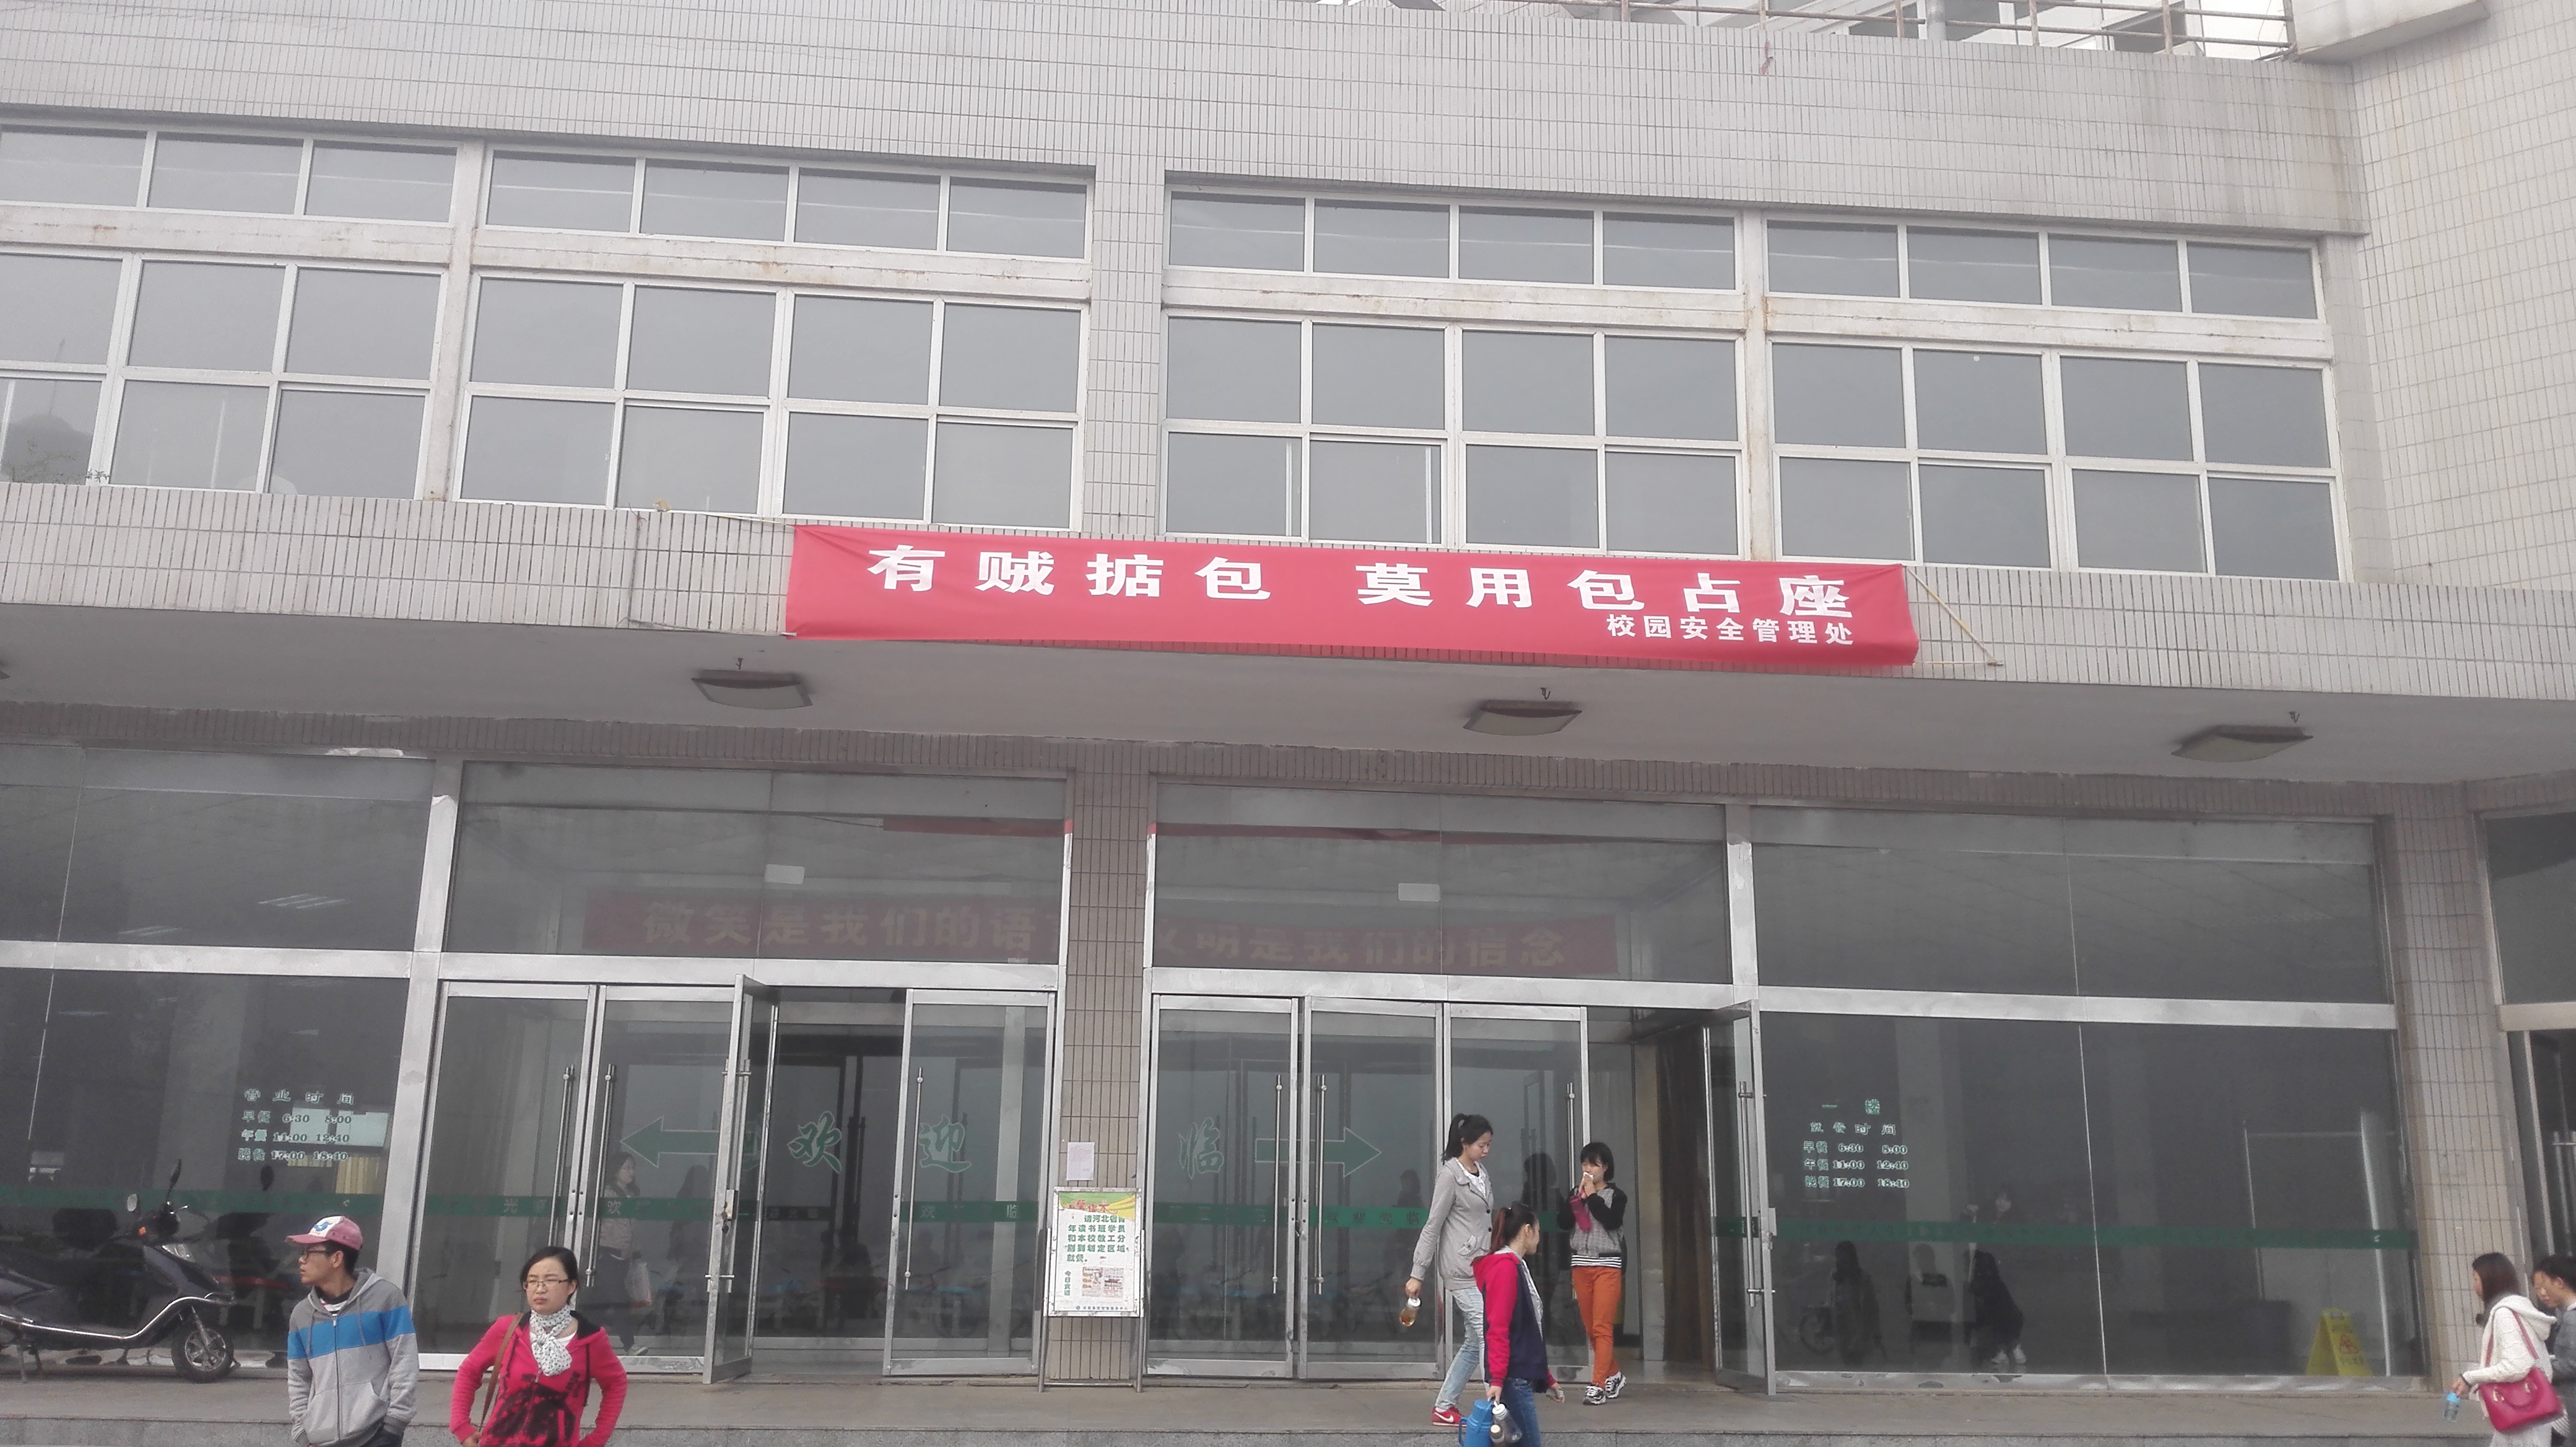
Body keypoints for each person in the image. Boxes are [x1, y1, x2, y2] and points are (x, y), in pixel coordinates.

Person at [450, 1246, 629, 1447]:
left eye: (550, 1280)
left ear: (571, 1286)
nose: (540, 1288)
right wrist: (461, 1426)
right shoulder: (508, 1329)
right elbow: (469, 1371)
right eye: (532, 1281)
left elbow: (616, 1384)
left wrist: (596, 1440)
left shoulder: (591, 1340)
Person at [285, 1215, 418, 1447]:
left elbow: (404, 1363)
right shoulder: (301, 1315)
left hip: (377, 1436)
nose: (301, 1260)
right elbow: (298, 1378)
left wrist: (394, 1425)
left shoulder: (386, 1299)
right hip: (319, 1439)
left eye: (309, 1253)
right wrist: (302, 1434)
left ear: (337, 1258)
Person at [1406, 1113, 1495, 1428]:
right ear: (1465, 1143)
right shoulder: (1450, 1176)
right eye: (1481, 1145)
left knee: (1474, 1340)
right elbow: (1433, 1225)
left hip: (1482, 1268)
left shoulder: (1481, 1173)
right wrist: (1418, 1272)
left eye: (1489, 1144)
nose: (1486, 1150)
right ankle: (1497, 1407)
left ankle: (1444, 1407)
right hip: (1460, 1269)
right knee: (1487, 1333)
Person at [2456, 1251, 2567, 1447]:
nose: (2474, 1286)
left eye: (2476, 1279)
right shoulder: (2519, 1309)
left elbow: (2517, 1366)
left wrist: (2470, 1377)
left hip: (2519, 1416)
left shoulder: (2505, 1314)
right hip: (2527, 1415)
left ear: (2490, 1280)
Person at [1478, 1204, 1565, 1447]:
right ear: (1528, 1230)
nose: (1539, 1238)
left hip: (1515, 1375)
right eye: (1538, 1231)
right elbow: (1498, 1328)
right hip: (1513, 1377)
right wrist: (1497, 1379)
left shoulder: (1515, 1265)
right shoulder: (1506, 1267)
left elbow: (1527, 1330)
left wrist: (1546, 1377)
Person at [1556, 1141, 1626, 1405]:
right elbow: (1563, 1222)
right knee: (1591, 1328)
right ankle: (1614, 1374)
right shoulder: (1577, 1193)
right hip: (1581, 1265)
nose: (1588, 1169)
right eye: (1585, 1164)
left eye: (1594, 1165)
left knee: (1602, 1326)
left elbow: (1612, 1221)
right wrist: (1578, 1199)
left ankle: (1598, 1385)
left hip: (1607, 1265)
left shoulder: (1616, 1195)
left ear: (1605, 1167)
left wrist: (1593, 1196)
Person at [591, 1154, 643, 1352]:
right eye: (626, 1168)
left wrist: (636, 1251)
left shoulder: (632, 1195)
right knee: (621, 1300)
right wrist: (588, 1250)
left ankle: (584, 1343)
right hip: (607, 1254)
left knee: (601, 1303)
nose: (631, 1172)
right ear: (616, 1171)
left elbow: (633, 1227)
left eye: (633, 1168)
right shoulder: (606, 1195)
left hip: (625, 1256)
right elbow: (592, 1223)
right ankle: (629, 1344)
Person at [1965, 1249, 2022, 1370]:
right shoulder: (1994, 1282)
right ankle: (2008, 1351)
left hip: (1999, 1318)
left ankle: (2007, 1351)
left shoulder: (1991, 1284)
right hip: (1998, 1319)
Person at [1830, 1239, 1884, 1367]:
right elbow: (1831, 1300)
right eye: (1839, 1256)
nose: (1842, 1260)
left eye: (1845, 1256)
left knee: (1856, 1362)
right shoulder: (1835, 1277)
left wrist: (1875, 1333)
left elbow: (1872, 1307)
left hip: (1858, 1328)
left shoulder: (1863, 1279)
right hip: (1839, 1327)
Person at [2533, 1255, 2576, 1397]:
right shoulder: (2567, 1315)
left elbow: (2573, 1363)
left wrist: (2537, 1368)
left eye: (2543, 1286)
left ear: (2559, 1282)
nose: (2542, 1294)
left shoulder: (2572, 1317)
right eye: (2537, 1289)